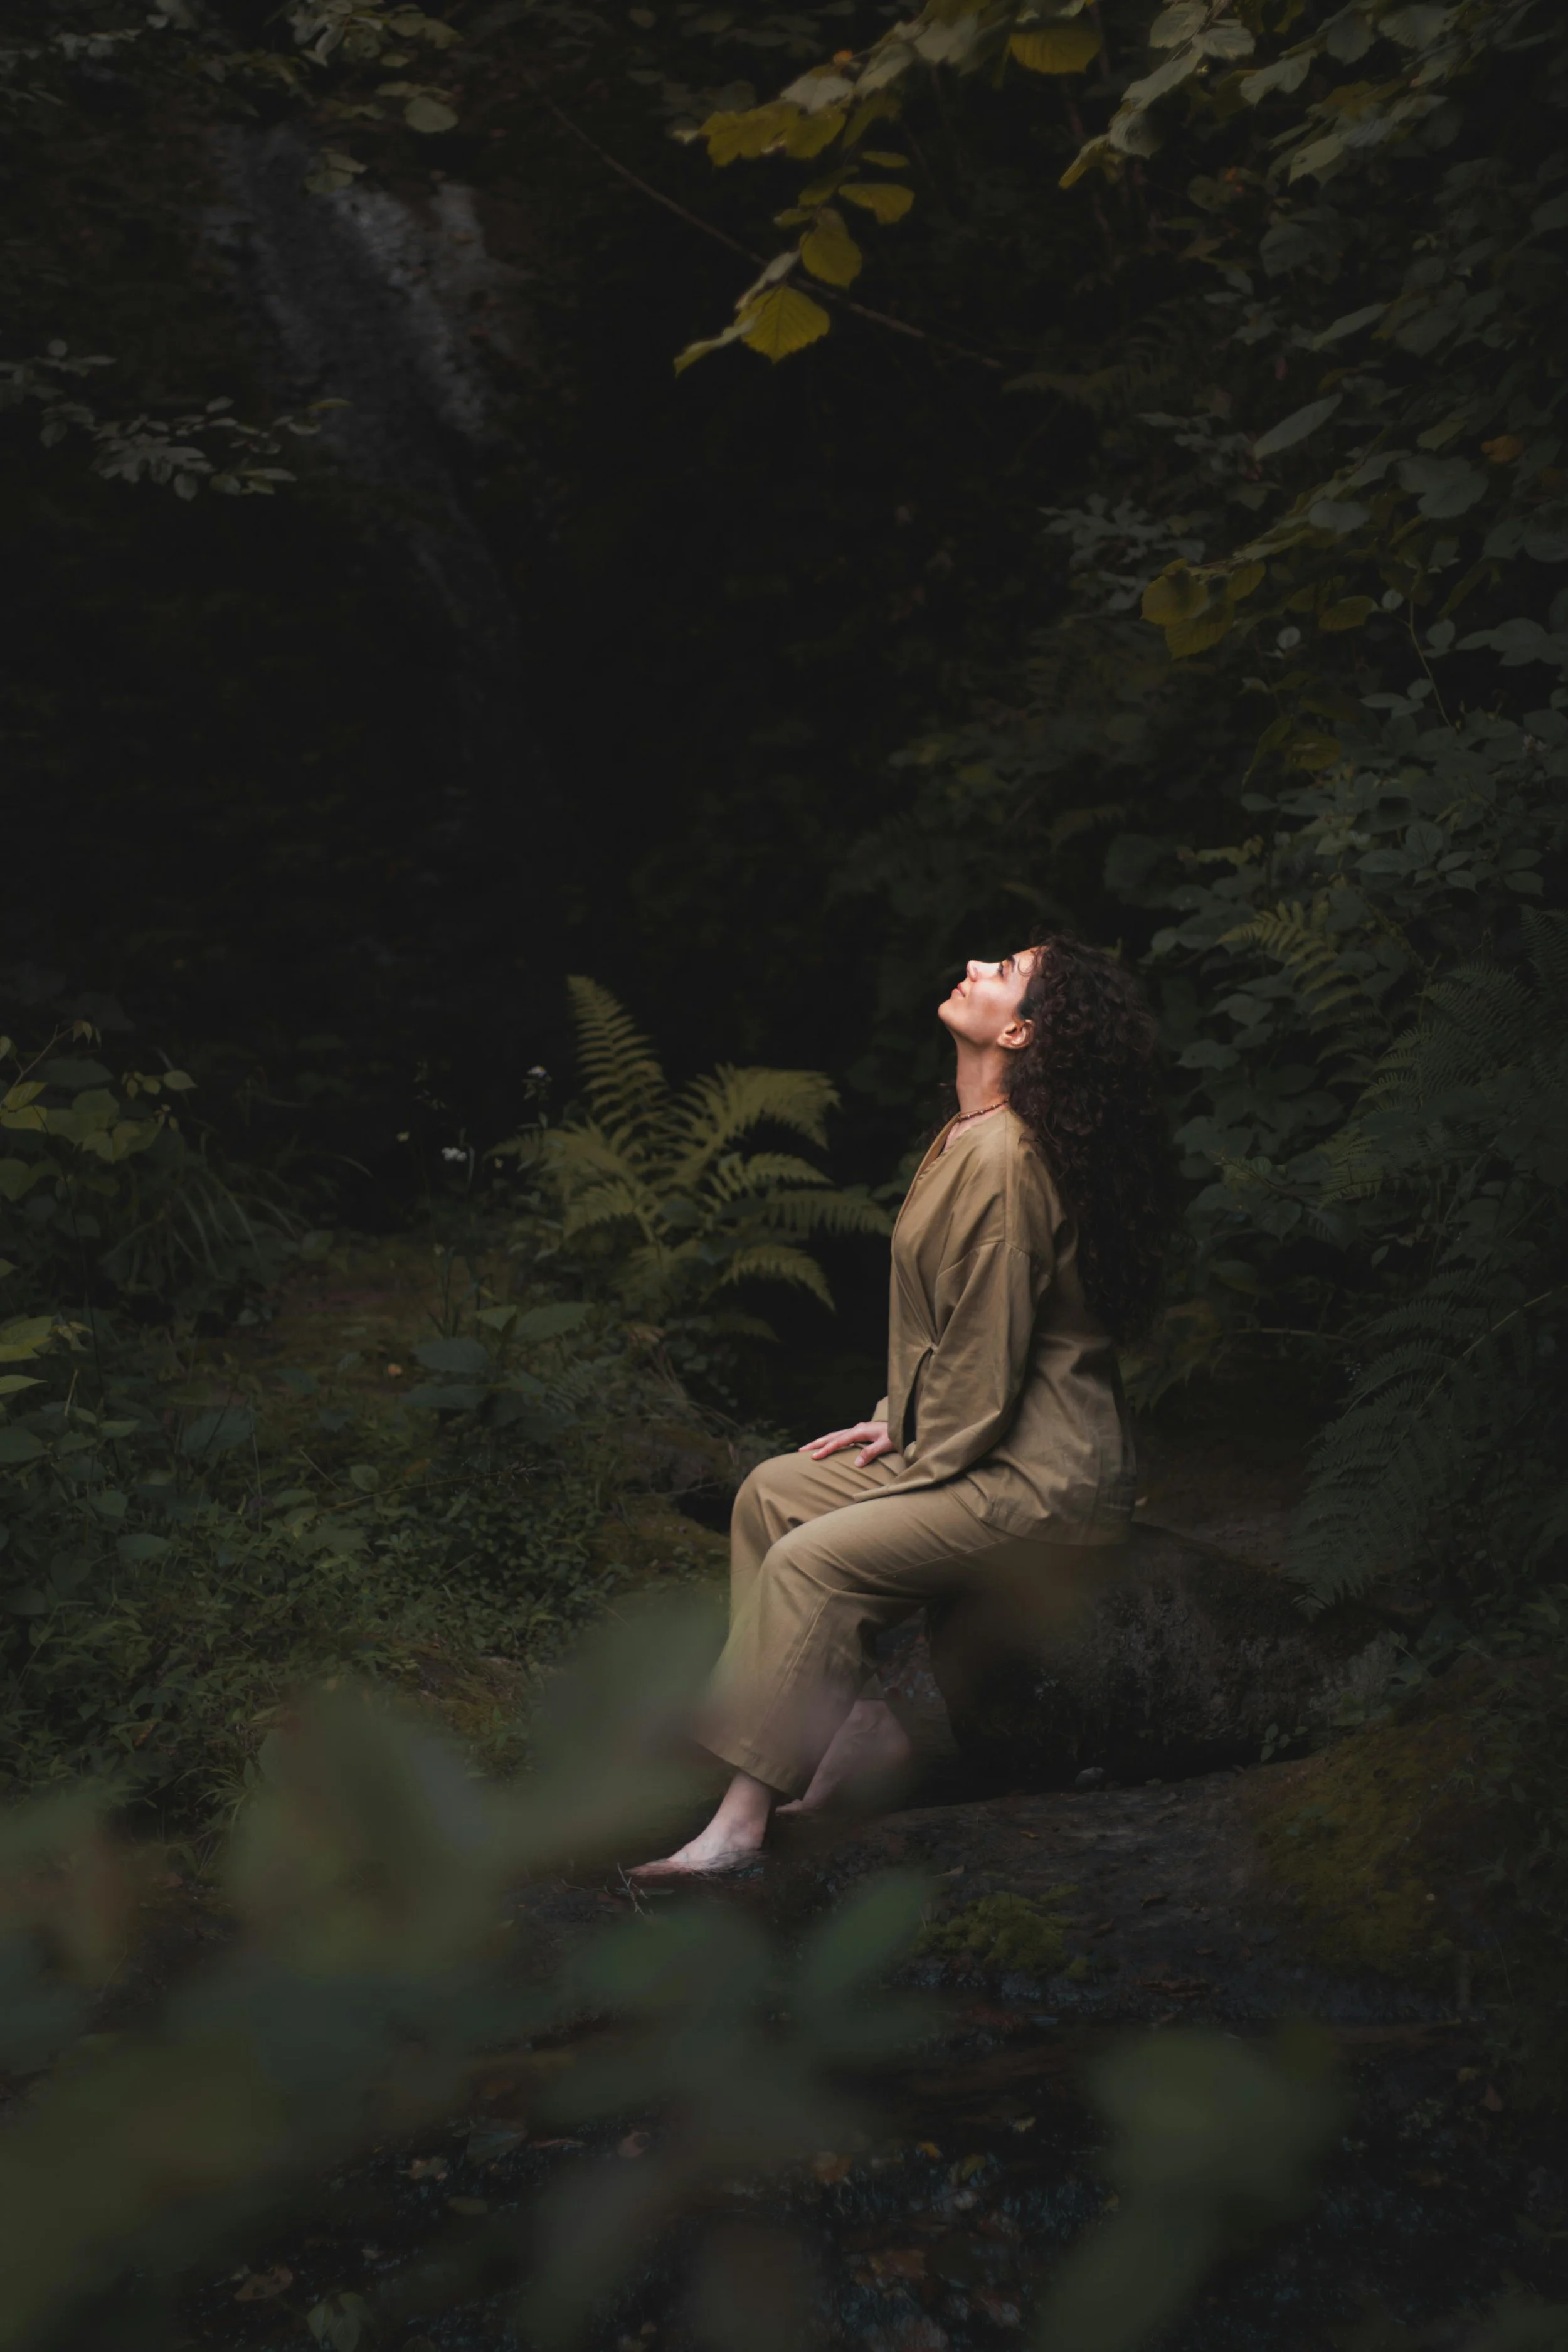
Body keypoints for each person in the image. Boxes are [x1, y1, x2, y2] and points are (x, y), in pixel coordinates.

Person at [630, 932, 1172, 1880]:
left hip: (1043, 1480)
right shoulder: (966, 1132)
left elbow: (987, 1351)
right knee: (773, 1492)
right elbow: (954, 1330)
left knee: (814, 1558)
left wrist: (917, 1454)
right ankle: (858, 1727)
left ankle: (738, 1824)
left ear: (1022, 1031)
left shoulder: (1006, 1158)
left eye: (1002, 972)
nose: (975, 966)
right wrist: (896, 1414)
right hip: (985, 1443)